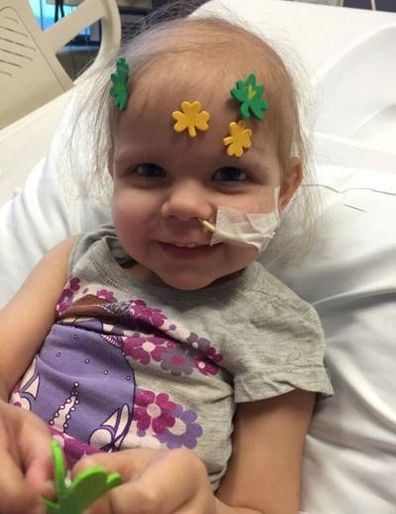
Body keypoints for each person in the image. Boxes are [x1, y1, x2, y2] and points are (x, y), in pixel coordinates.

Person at [0, 13, 332, 514]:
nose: (183, 206)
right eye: (149, 170)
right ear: (114, 170)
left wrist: (201, 503)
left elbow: (264, 506)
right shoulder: (78, 261)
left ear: (283, 190)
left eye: (229, 173)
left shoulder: (281, 331)